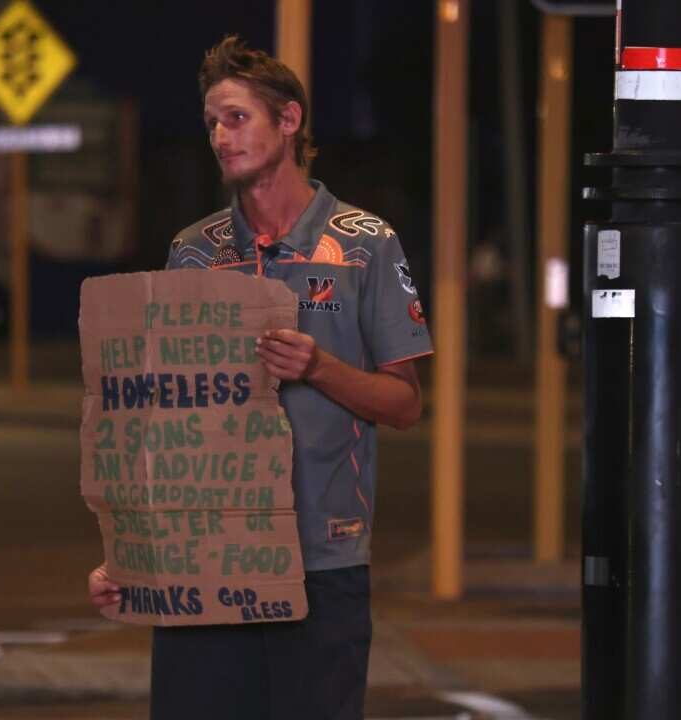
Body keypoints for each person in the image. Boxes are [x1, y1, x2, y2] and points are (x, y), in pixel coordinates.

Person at [87, 35, 433, 720]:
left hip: (321, 563)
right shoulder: (193, 251)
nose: (220, 136)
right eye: (212, 121)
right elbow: (157, 420)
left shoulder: (365, 244)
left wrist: (320, 367)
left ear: (289, 120)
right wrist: (127, 554)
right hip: (207, 563)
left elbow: (404, 404)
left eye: (238, 117)